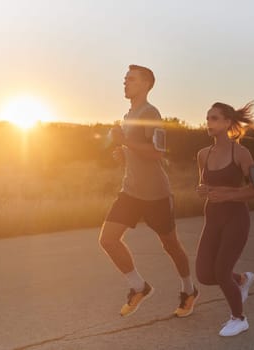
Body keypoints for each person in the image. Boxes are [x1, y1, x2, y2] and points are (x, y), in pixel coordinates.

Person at [99, 64, 198, 318]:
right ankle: (138, 286)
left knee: (171, 245)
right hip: (130, 191)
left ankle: (189, 289)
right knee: (108, 239)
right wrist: (123, 153)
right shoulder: (129, 115)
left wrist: (124, 142)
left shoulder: (151, 113)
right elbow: (137, 150)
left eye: (130, 79)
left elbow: (157, 153)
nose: (125, 83)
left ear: (145, 84)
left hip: (156, 194)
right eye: (124, 79)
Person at [195, 101, 254, 336]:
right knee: (204, 274)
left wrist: (228, 194)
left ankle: (239, 318)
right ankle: (241, 280)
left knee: (222, 272)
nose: (209, 123)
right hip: (212, 219)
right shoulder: (203, 154)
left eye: (214, 118)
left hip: (236, 218)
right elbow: (203, 184)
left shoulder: (242, 153)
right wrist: (203, 190)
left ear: (226, 122)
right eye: (207, 118)